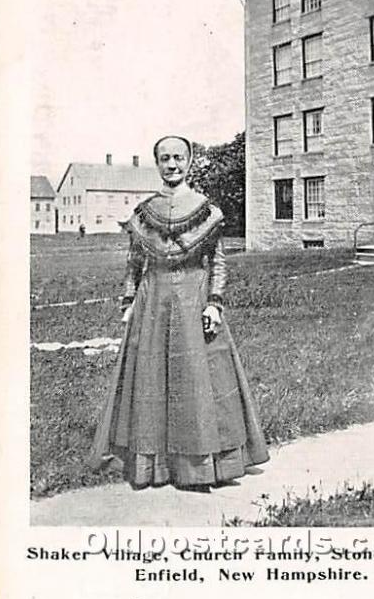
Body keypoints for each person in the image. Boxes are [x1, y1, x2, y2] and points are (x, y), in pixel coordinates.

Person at [87, 135, 269, 490]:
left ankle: (200, 468)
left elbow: (216, 262)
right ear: (157, 164)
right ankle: (153, 466)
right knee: (151, 380)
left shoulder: (205, 208)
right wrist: (128, 303)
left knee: (197, 380)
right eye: (165, 159)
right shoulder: (144, 213)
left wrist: (215, 304)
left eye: (179, 158)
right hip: (152, 302)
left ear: (189, 161)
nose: (172, 165)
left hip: (194, 300)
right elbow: (134, 264)